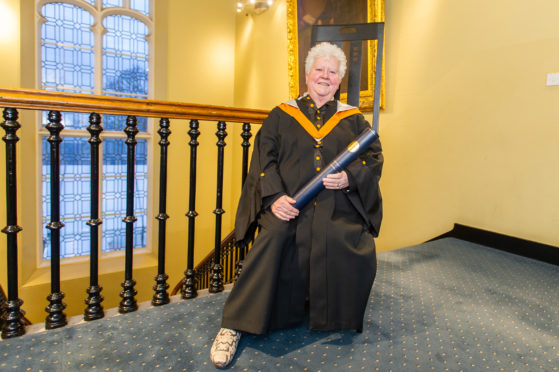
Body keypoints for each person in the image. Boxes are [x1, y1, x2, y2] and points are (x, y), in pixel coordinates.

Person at [209, 42, 383, 368]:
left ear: (339, 80)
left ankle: (327, 312)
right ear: (307, 74)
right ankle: (234, 324)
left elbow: (374, 160)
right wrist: (275, 199)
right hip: (290, 204)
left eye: (333, 72)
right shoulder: (280, 115)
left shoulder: (353, 120)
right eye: (320, 69)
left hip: (336, 204)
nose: (325, 76)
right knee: (274, 238)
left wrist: (350, 178)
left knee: (343, 236)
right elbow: (264, 160)